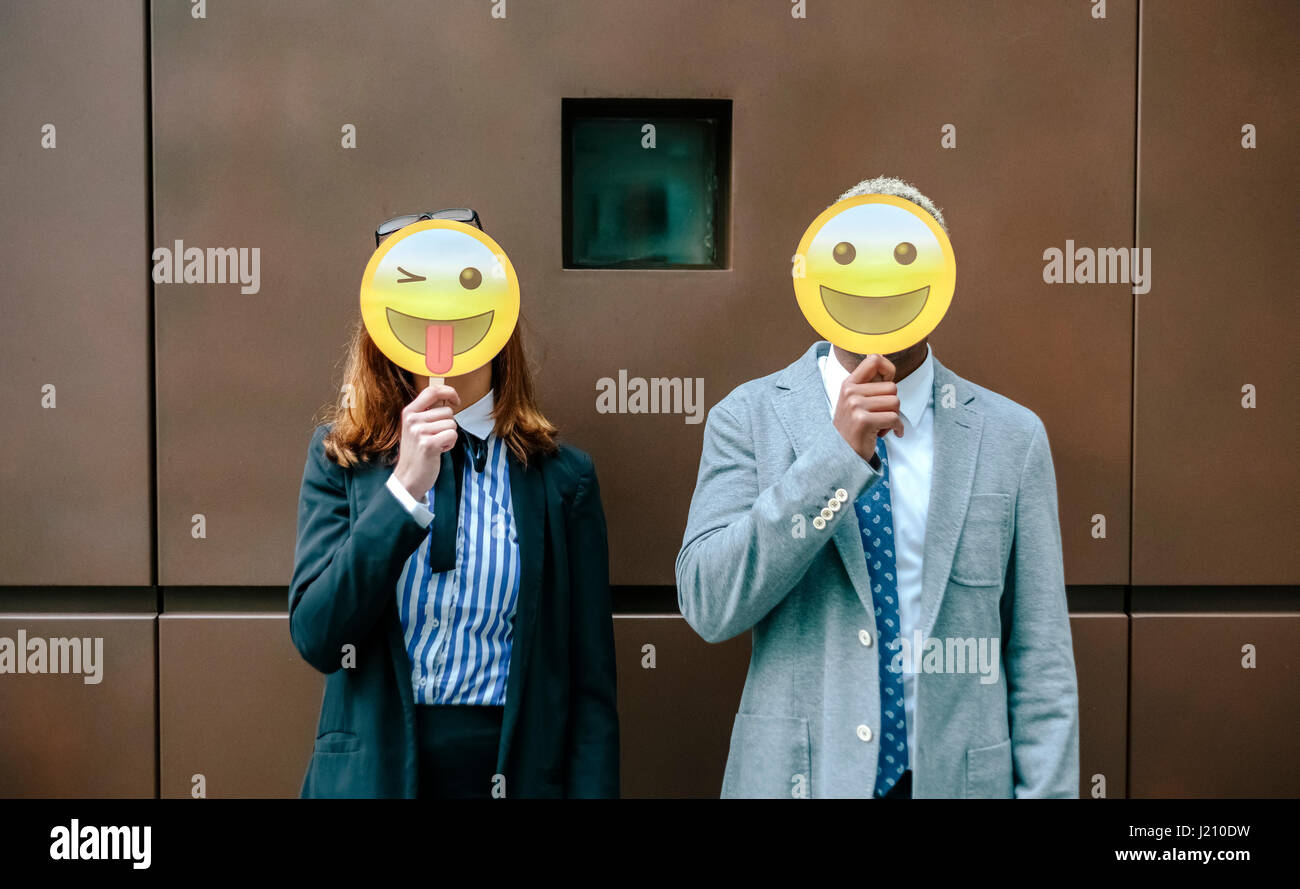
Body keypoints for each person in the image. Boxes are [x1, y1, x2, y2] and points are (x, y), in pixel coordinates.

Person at [676, 177, 1079, 798]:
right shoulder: (748, 417)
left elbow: (1041, 659)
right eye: (852, 262)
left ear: (939, 282)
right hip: (801, 777)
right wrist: (834, 459)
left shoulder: (1011, 437)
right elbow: (709, 603)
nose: (877, 286)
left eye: (901, 262)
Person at [289, 209, 619, 798]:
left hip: (510, 772)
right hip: (376, 777)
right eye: (415, 294)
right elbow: (318, 637)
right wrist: (402, 492)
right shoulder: (343, 458)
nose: (439, 316)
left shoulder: (562, 478)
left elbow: (589, 691)